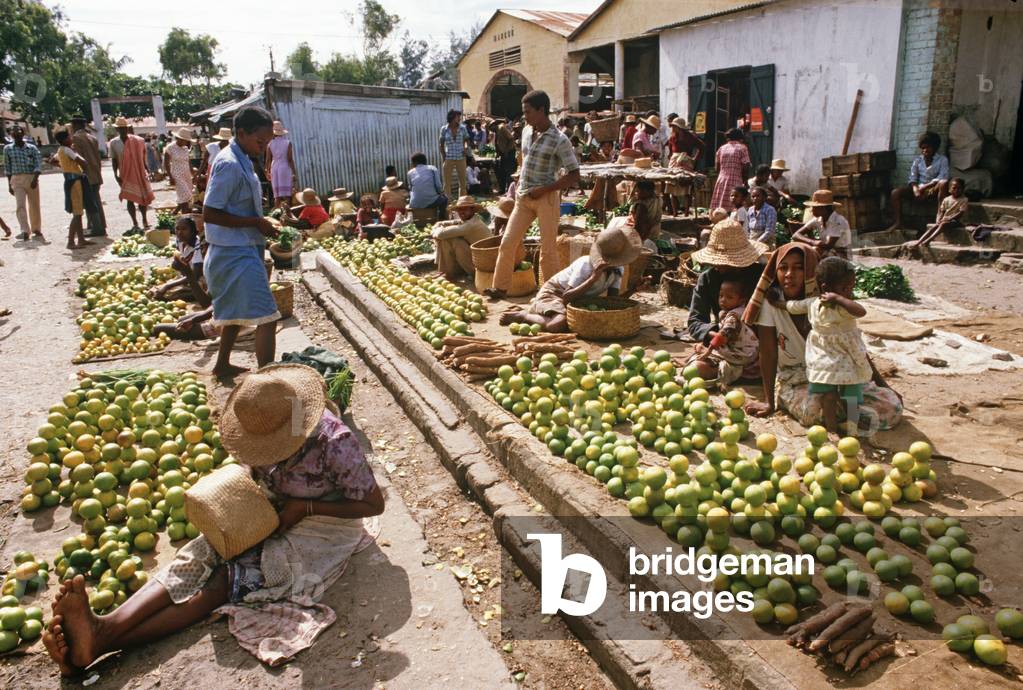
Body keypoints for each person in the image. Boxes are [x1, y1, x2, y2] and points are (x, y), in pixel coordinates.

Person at [43, 364, 385, 676]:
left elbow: (373, 504)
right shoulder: (257, 425)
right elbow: (255, 472)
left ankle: (102, 641)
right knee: (203, 551)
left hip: (326, 525)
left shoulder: (334, 442)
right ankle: (106, 625)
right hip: (275, 505)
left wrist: (305, 509)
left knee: (228, 579)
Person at [742, 244, 902, 433]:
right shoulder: (772, 305)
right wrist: (769, 403)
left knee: (891, 407)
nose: (789, 274)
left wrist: (883, 385)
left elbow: (853, 345)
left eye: (798, 268)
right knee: (813, 412)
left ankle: (845, 418)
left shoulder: (832, 304)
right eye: (783, 267)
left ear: (811, 272)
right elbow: (768, 354)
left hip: (840, 372)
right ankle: (846, 419)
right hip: (795, 377)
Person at [201, 106, 280, 378]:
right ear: (243, 133)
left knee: (235, 313)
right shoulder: (229, 164)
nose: (264, 147)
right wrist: (256, 223)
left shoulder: (243, 157)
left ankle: (222, 364)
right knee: (269, 317)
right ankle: (266, 381)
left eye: (268, 142)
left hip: (239, 247)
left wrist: (261, 220)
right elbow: (210, 212)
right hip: (233, 253)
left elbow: (238, 205)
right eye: (261, 141)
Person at [485, 90, 580, 301]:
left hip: (546, 199)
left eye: (527, 112)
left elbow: (574, 174)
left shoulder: (559, 139)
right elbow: (524, 158)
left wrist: (545, 189)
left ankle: (550, 295)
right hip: (523, 198)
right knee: (507, 242)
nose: (524, 116)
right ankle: (499, 288)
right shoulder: (527, 132)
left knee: (548, 251)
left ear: (541, 110)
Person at [785, 257, 871, 437]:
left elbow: (861, 311)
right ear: (825, 289)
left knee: (851, 395)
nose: (849, 292)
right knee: (830, 396)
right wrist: (778, 302)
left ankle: (852, 424)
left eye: (851, 287)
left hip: (844, 359)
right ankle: (831, 427)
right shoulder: (822, 305)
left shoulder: (842, 306)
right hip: (832, 359)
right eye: (845, 288)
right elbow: (792, 306)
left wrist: (839, 297)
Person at [499, 226, 642, 333]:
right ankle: (523, 316)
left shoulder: (618, 269)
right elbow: (566, 297)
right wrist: (593, 279)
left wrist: (633, 289)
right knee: (558, 325)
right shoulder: (586, 264)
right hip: (555, 294)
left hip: (578, 300)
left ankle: (541, 312)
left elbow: (612, 302)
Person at [687, 219, 765, 345]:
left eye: (725, 262)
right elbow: (695, 321)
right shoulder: (707, 279)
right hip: (725, 342)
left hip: (761, 341)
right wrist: (716, 336)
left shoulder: (761, 276)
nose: (717, 265)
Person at [683, 278, 759, 387]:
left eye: (729, 297)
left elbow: (721, 337)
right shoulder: (734, 311)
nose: (723, 300)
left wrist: (707, 351)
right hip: (737, 347)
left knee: (699, 364)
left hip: (741, 353)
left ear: (741, 300)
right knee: (699, 355)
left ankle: (718, 373)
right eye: (721, 295)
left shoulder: (733, 317)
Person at [887, 131, 950, 230]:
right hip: (918, 191)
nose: (925, 150)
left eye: (928, 147)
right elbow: (913, 177)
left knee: (943, 183)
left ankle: (940, 216)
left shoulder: (942, 160)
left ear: (934, 147)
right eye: (923, 148)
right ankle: (898, 222)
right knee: (895, 192)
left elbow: (942, 176)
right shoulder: (917, 160)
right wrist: (916, 189)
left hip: (933, 189)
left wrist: (925, 187)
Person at [431, 195, 493, 280]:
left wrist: (435, 229)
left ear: (472, 210)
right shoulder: (473, 219)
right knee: (449, 238)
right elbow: (455, 222)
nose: (461, 212)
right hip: (479, 260)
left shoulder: (470, 225)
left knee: (451, 239)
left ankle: (448, 273)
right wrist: (441, 223)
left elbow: (440, 234)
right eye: (459, 209)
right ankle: (446, 271)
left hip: (483, 266)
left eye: (465, 209)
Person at [111, 117, 155, 233]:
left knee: (142, 198)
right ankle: (135, 222)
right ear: (117, 130)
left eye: (124, 128)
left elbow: (143, 158)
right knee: (129, 198)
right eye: (120, 129)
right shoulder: (114, 143)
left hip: (139, 172)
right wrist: (116, 175)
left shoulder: (138, 141)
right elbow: (114, 160)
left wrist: (147, 170)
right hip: (125, 174)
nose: (122, 130)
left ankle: (144, 220)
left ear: (127, 128)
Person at [153, 215, 210, 307]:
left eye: (184, 229)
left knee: (172, 294)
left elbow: (196, 275)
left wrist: (168, 285)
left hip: (200, 279)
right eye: (177, 229)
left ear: (193, 231)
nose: (179, 232)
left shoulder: (198, 246)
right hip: (187, 276)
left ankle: (178, 297)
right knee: (155, 291)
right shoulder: (180, 242)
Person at [51, 130, 93, 249]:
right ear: (64, 140)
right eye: (69, 137)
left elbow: (53, 161)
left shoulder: (60, 150)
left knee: (78, 211)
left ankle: (81, 239)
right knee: (77, 212)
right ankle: (70, 241)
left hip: (69, 180)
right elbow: (83, 162)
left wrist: (64, 167)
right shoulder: (68, 150)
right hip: (75, 182)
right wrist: (75, 153)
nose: (71, 139)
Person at [3, 125, 43, 241]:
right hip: (16, 178)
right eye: (14, 132)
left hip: (31, 177)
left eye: (19, 132)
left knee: (34, 204)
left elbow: (37, 163)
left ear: (23, 133)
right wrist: (9, 184)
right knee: (20, 205)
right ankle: (25, 230)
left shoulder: (31, 148)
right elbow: (8, 168)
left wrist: (35, 178)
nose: (17, 134)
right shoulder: (8, 149)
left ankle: (36, 228)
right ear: (11, 135)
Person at [71, 115, 106, 236]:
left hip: (85, 174)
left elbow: (78, 158)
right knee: (96, 200)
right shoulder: (92, 137)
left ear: (75, 125)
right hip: (95, 172)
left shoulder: (76, 138)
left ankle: (97, 227)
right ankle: (99, 225)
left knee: (90, 202)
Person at [909, 177, 967, 248]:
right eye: (954, 188)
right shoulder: (946, 199)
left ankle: (928, 240)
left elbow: (960, 213)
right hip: (945, 220)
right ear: (949, 189)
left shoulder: (964, 200)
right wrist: (940, 218)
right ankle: (919, 242)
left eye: (959, 188)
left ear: (963, 190)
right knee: (934, 226)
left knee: (943, 224)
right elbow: (942, 210)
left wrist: (949, 218)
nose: (956, 190)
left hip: (957, 221)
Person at [793, 189, 851, 259]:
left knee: (814, 252)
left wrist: (813, 243)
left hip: (841, 255)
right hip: (827, 252)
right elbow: (796, 235)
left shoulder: (838, 221)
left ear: (823, 208)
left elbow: (828, 245)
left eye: (814, 208)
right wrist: (813, 242)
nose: (812, 210)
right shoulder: (818, 219)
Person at [710, 128, 751, 211]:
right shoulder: (742, 148)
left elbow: (716, 167)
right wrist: (745, 180)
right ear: (740, 138)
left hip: (722, 179)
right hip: (735, 179)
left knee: (721, 205)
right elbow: (746, 165)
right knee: (735, 204)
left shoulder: (721, 148)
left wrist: (722, 174)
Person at [265, 120, 296, 210]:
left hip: (274, 167)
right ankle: (288, 214)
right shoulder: (287, 143)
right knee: (287, 194)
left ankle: (277, 214)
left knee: (277, 196)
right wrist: (294, 172)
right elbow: (290, 159)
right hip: (285, 167)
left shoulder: (270, 143)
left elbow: (268, 160)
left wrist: (267, 171)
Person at [408, 152, 448, 220]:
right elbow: (438, 186)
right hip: (431, 201)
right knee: (444, 199)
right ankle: (441, 219)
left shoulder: (410, 172)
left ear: (415, 162)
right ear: (425, 161)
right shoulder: (432, 168)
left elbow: (411, 188)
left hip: (414, 203)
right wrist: (441, 193)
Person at [439, 110, 469, 198]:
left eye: (460, 117)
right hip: (449, 158)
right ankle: (448, 203)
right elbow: (441, 144)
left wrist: (466, 148)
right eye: (458, 117)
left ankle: (462, 202)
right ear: (452, 118)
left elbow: (467, 141)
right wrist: (444, 157)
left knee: (463, 183)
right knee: (447, 183)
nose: (459, 119)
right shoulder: (444, 129)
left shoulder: (463, 128)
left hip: (461, 157)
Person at [164, 129, 195, 214]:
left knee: (187, 197)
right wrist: (170, 177)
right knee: (186, 195)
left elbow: (188, 161)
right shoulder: (170, 148)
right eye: (185, 140)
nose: (186, 142)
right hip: (177, 175)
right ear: (179, 138)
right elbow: (166, 164)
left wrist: (193, 174)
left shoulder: (185, 149)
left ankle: (176, 212)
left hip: (187, 174)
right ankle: (184, 218)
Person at [492, 119, 517, 195]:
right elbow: (498, 144)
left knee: (509, 171)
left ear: (494, 125)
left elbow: (511, 138)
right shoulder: (496, 132)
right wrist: (498, 153)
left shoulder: (501, 128)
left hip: (509, 152)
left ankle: (508, 191)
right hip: (503, 154)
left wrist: (506, 150)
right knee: (501, 171)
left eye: (490, 127)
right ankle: (502, 189)